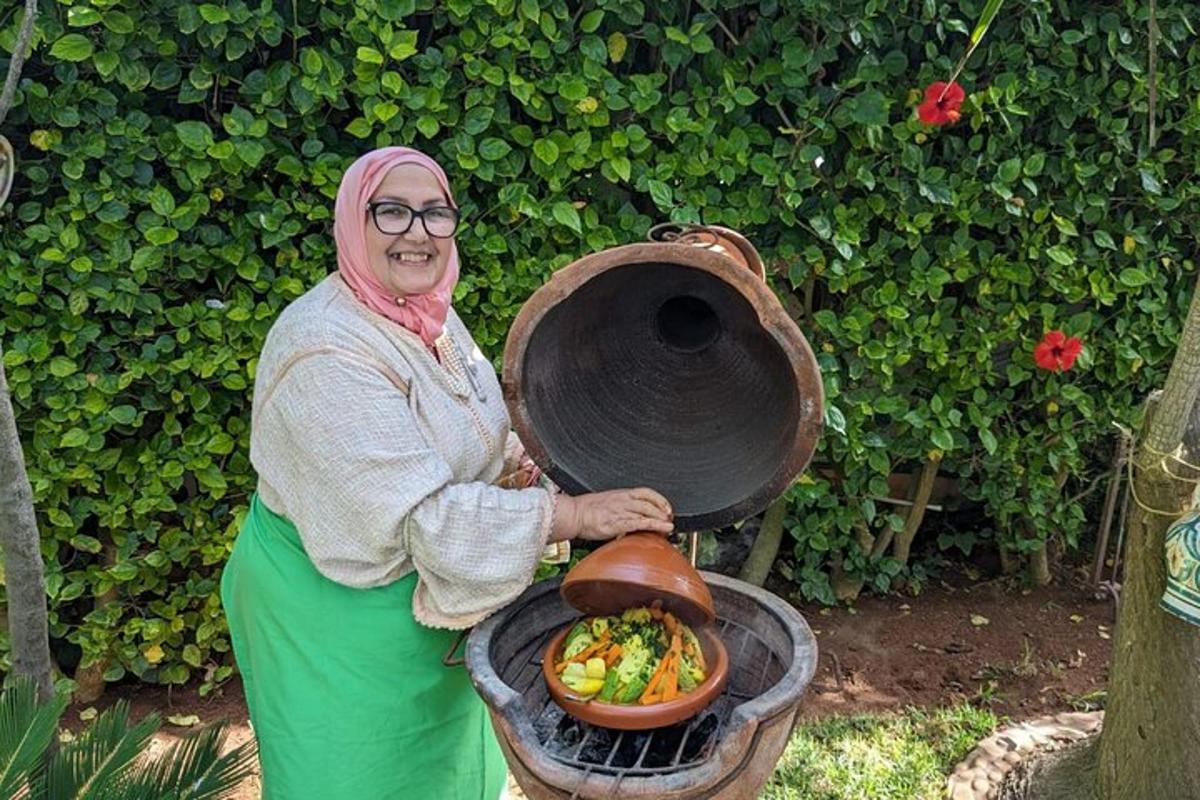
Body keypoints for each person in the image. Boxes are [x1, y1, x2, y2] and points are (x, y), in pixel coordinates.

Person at [219, 146, 674, 800]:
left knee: (449, 774)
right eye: (393, 211)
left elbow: (477, 422)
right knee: (351, 779)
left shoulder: (428, 313)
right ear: (353, 221)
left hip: (430, 606)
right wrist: (569, 516)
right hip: (333, 613)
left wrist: (531, 471)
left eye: (436, 214)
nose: (418, 233)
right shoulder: (322, 350)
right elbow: (421, 518)